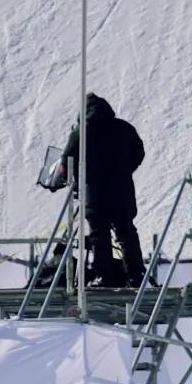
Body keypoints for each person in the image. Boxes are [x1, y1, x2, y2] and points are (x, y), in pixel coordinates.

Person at [62, 93, 146, 287]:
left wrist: (79, 178)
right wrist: (125, 170)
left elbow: (67, 161)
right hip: (122, 191)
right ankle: (136, 274)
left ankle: (104, 276)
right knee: (126, 231)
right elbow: (139, 152)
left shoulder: (81, 133)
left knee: (99, 234)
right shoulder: (124, 128)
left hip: (95, 193)